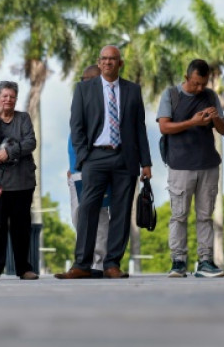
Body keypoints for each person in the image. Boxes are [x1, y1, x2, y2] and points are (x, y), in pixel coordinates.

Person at [56, 45, 152, 280]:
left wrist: (146, 163)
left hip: (124, 157)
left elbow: (139, 128)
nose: (108, 62)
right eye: (104, 59)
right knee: (87, 208)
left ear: (120, 64)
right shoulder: (83, 89)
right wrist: (83, 158)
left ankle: (111, 265)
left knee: (120, 212)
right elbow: (76, 126)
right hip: (95, 158)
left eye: (113, 59)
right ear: (99, 63)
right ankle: (81, 264)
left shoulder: (132, 90)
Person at [156, 59, 224, 278]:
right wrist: (192, 122)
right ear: (186, 77)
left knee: (205, 216)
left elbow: (223, 130)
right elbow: (164, 126)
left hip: (208, 164)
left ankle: (205, 261)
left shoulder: (210, 96)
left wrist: (215, 118)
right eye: (195, 83)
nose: (199, 88)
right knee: (179, 215)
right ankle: (178, 262)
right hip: (180, 166)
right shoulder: (171, 95)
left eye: (203, 84)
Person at [0, 80, 39, 280]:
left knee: (21, 227)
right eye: (4, 96)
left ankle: (24, 268)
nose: (8, 100)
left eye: (12, 97)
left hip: (21, 182)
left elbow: (31, 142)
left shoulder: (23, 119)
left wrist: (10, 151)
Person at [66, 64, 109, 278]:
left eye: (84, 79)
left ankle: (98, 263)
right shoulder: (81, 100)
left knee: (99, 216)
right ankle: (84, 259)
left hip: (94, 169)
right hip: (76, 171)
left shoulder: (104, 103)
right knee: (78, 217)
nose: (81, 83)